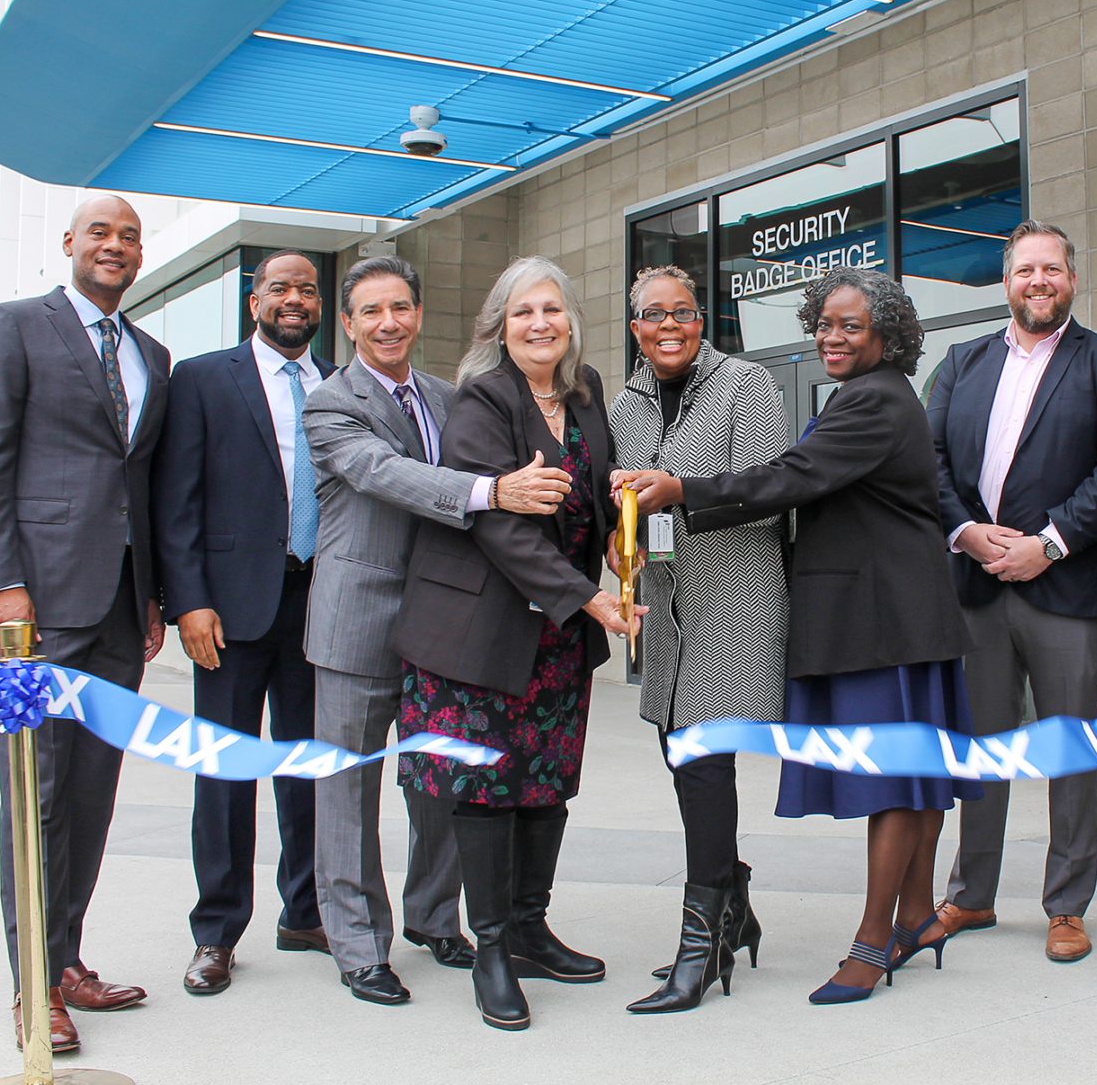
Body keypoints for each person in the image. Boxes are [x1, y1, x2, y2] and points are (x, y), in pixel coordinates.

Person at [619, 267, 981, 1007]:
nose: (833, 338)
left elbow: (794, 475)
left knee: (894, 782)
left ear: (888, 334)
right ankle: (915, 917)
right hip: (890, 614)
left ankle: (874, 942)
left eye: (851, 326)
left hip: (890, 618)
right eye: (824, 324)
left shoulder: (875, 401)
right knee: (908, 778)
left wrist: (682, 488)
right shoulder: (862, 396)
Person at [303, 256, 572, 1007]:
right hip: (359, 618)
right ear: (348, 323)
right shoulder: (331, 404)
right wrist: (491, 490)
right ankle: (358, 945)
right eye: (370, 311)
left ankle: (431, 917)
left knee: (441, 784)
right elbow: (383, 473)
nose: (388, 322)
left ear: (419, 314)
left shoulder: (451, 397)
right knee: (348, 793)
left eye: (400, 308)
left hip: (444, 622)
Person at [390, 256, 640, 1033]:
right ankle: (491, 948)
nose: (541, 324)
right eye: (524, 311)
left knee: (548, 782)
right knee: (488, 790)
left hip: (558, 635)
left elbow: (599, 497)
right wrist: (589, 597)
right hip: (480, 635)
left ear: (570, 321)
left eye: (553, 310)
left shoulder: (587, 390)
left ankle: (531, 928)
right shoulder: (483, 398)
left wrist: (629, 537)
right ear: (500, 324)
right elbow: (496, 523)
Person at [0, 194, 170, 1055]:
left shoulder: (151, 352)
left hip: (120, 607)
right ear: (70, 244)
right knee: (35, 796)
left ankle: (68, 956)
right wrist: (2, 582)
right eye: (101, 234)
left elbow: (138, 485)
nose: (115, 247)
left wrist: (151, 592)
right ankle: (32, 987)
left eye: (129, 237)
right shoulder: (13, 327)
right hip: (36, 607)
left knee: (91, 793)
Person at [925, 220, 1097, 964]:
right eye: (1024, 271)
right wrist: (967, 533)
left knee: (1068, 749)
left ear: (1071, 279)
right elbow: (932, 462)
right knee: (981, 748)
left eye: (1051, 268)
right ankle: (972, 894)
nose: (1038, 281)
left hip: (1068, 586)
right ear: (1007, 281)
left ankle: (1067, 905)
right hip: (975, 583)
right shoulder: (960, 362)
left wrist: (1046, 544)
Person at [607, 264, 789, 1014]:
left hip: (738, 598)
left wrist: (674, 490)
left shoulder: (747, 385)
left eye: (684, 311)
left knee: (706, 768)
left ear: (701, 319)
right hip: (668, 600)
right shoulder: (624, 404)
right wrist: (627, 547)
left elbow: (769, 490)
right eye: (655, 314)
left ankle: (700, 944)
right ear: (636, 328)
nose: (671, 324)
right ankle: (734, 906)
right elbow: (636, 515)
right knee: (684, 765)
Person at [151, 251, 335, 995]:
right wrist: (188, 601)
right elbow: (176, 500)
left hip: (317, 601)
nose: (294, 300)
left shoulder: (336, 383)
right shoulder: (201, 378)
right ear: (253, 299)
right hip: (226, 609)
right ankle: (217, 931)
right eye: (280, 289)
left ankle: (306, 911)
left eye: (307, 290)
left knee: (306, 770)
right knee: (225, 773)